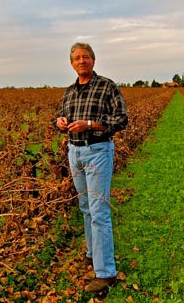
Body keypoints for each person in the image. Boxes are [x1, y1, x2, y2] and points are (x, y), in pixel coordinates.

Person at [55, 42, 128, 293]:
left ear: (93, 61)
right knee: (85, 207)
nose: (81, 61)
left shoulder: (107, 86)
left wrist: (89, 124)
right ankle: (91, 253)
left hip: (98, 151)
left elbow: (121, 120)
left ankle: (106, 273)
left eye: (86, 57)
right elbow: (59, 116)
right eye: (76, 58)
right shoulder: (69, 92)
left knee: (99, 211)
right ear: (72, 63)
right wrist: (60, 121)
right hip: (74, 151)